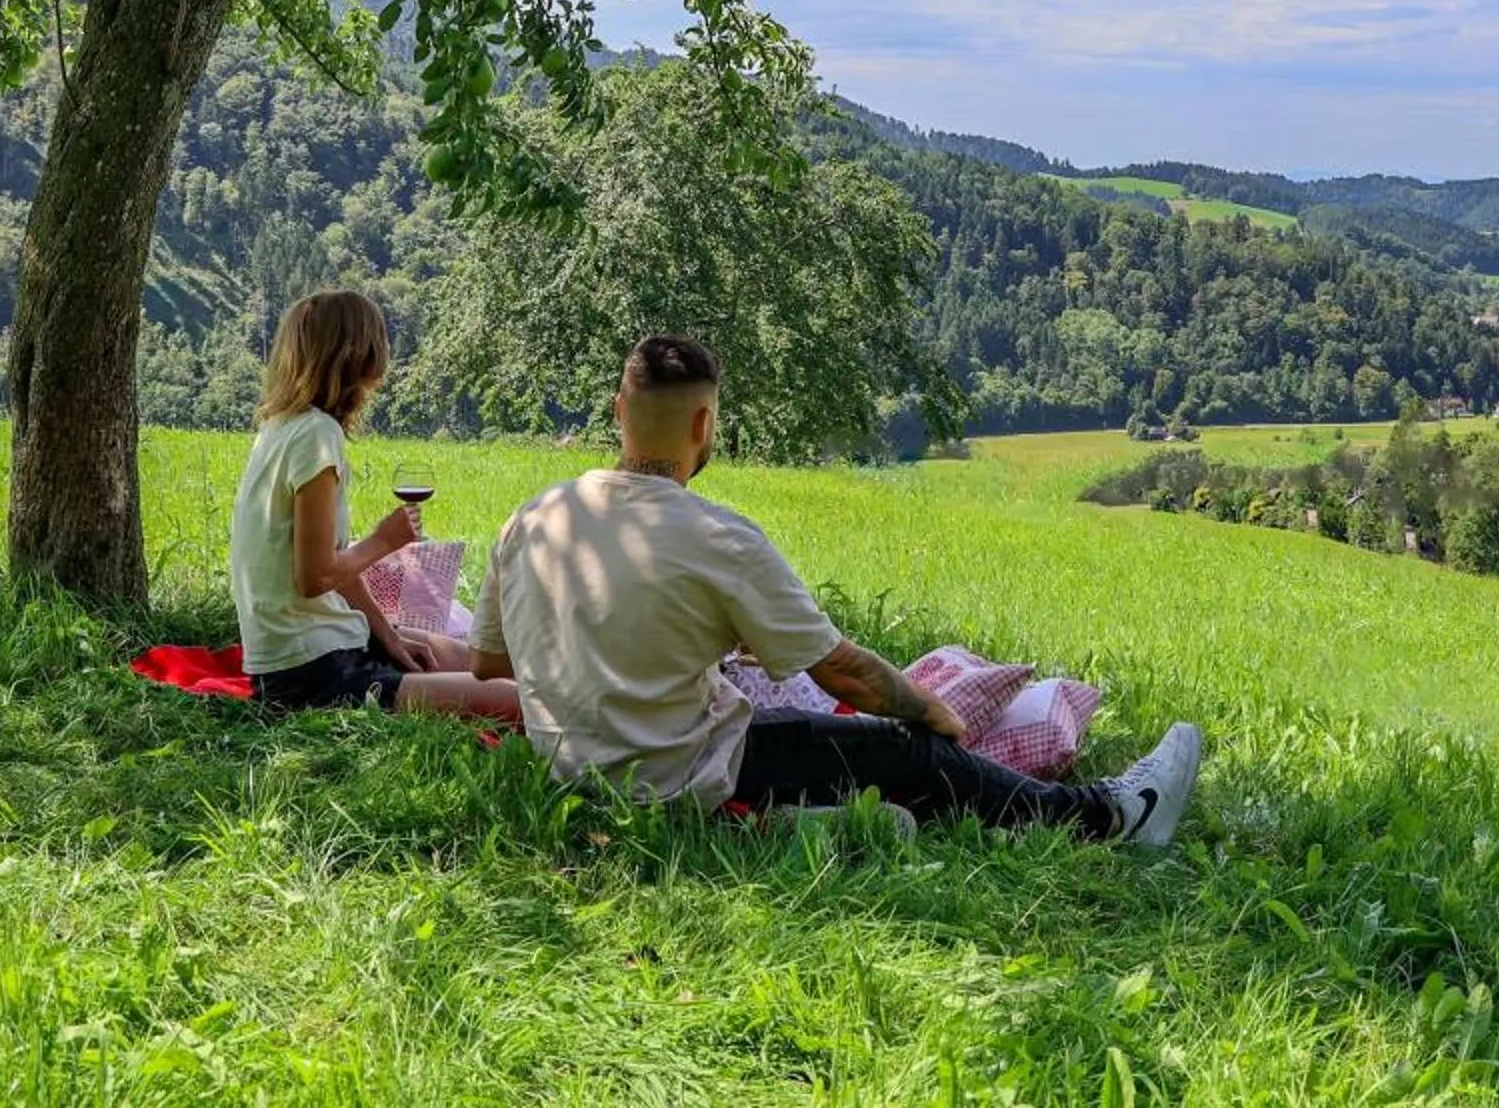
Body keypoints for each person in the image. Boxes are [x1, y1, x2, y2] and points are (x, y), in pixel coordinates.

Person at [469, 333, 1202, 841]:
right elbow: (846, 673)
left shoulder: (533, 518)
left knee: (800, 737)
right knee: (900, 748)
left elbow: (491, 664)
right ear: (704, 423)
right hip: (677, 773)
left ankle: (807, 827)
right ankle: (1108, 817)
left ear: (618, 411)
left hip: (569, 774)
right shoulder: (720, 538)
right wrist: (931, 711)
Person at [231, 290, 520, 722]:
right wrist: (384, 541)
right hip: (312, 672)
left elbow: (335, 573)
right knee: (521, 701)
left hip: (330, 644)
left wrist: (388, 637)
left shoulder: (280, 428)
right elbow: (315, 577)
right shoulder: (316, 436)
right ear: (358, 354)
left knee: (493, 662)